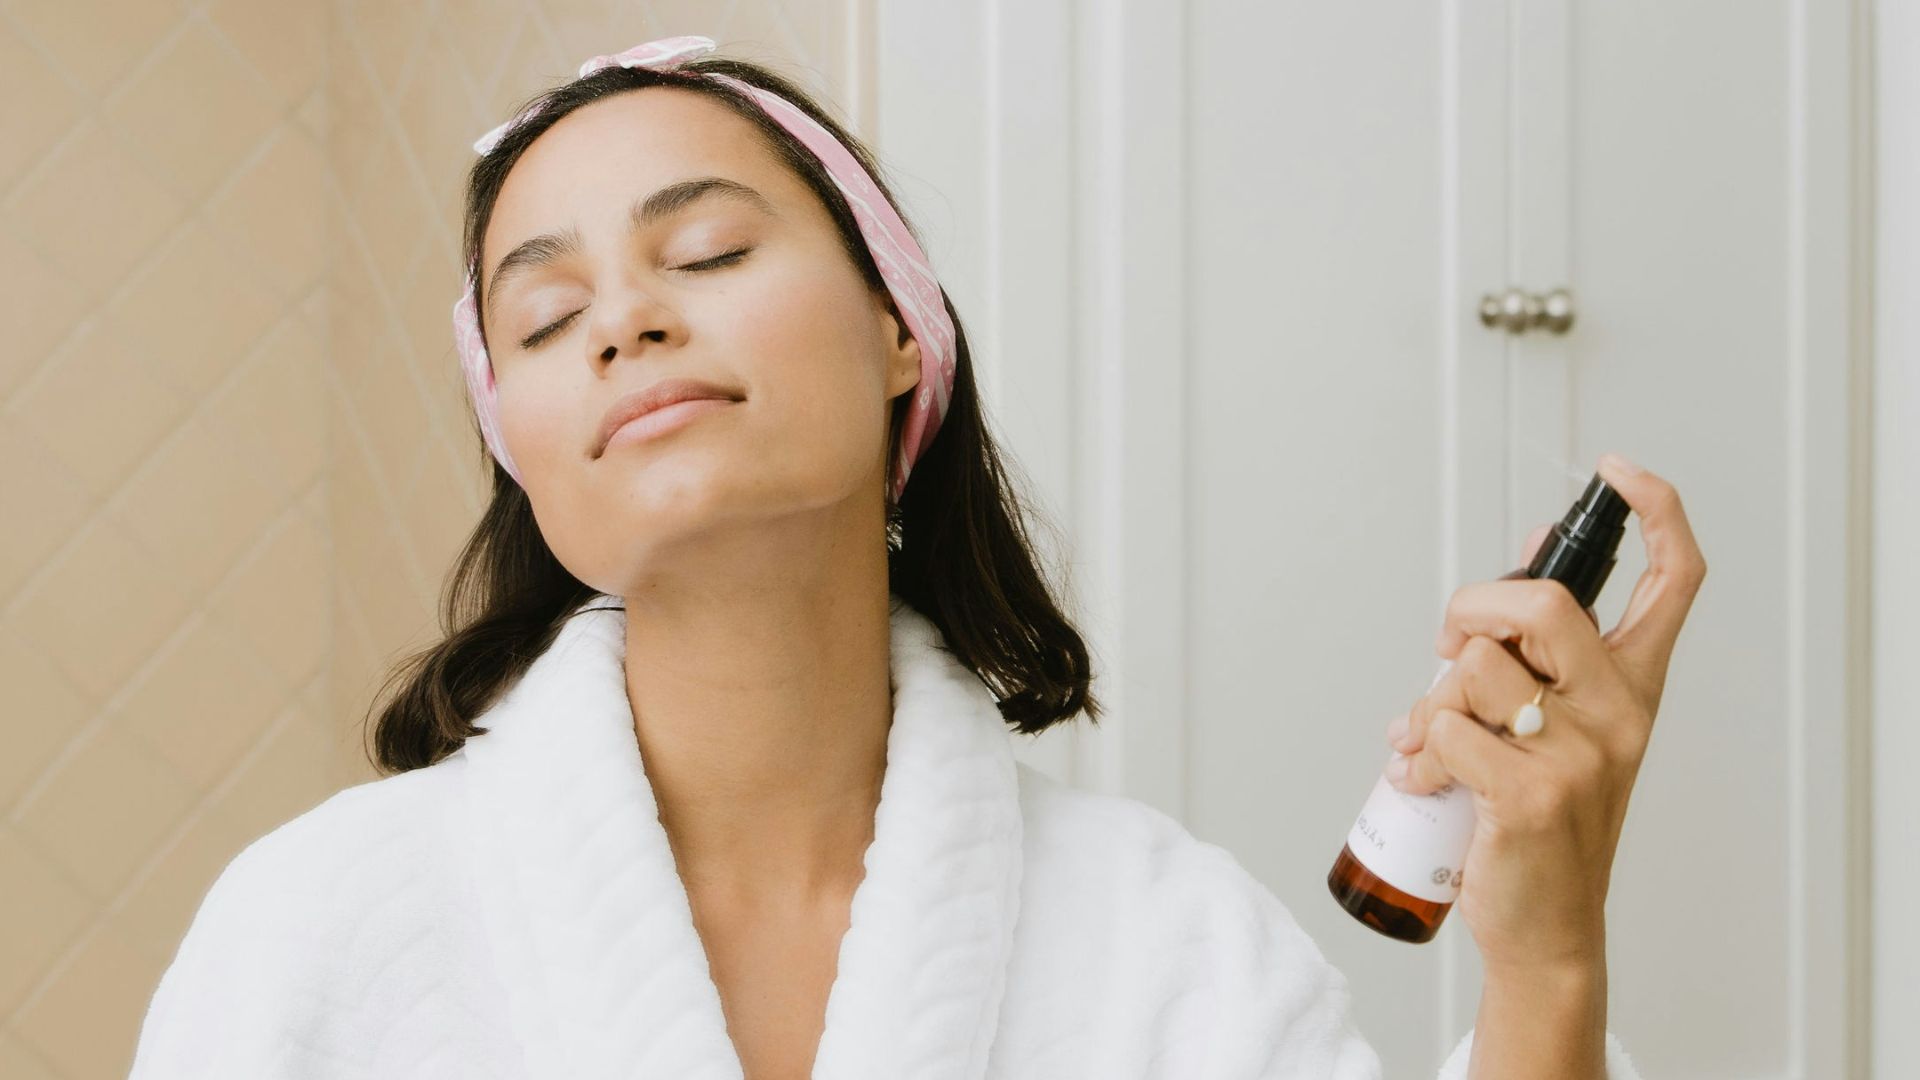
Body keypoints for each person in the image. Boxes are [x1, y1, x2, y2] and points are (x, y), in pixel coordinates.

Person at [128, 36, 1703, 1079]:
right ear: (524, 461)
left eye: (711, 252)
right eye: (543, 318)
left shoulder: (1172, 947)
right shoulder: (316, 931)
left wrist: (1550, 969)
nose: (622, 318)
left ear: (902, 330)